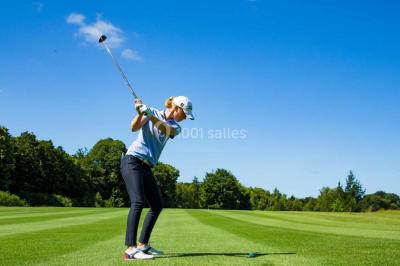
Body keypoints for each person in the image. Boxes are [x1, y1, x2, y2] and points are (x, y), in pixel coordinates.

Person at [120, 96, 194, 260]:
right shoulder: (151, 112)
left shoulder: (175, 126)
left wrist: (148, 114)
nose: (184, 118)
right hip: (132, 161)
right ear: (177, 108)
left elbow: (166, 130)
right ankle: (130, 249)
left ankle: (142, 245)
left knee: (157, 205)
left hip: (146, 167)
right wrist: (140, 113)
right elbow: (133, 128)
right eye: (184, 114)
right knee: (138, 201)